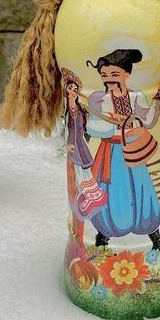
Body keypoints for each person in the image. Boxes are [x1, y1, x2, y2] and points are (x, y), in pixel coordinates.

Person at [86, 49, 160, 250]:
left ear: (127, 74)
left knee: (142, 188)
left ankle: (155, 238)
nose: (109, 79)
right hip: (111, 152)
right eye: (104, 75)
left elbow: (149, 121)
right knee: (110, 191)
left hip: (133, 151)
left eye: (114, 74)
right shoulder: (99, 99)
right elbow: (91, 126)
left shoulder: (136, 97)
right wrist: (109, 124)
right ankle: (101, 239)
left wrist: (159, 94)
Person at [62, 69, 107, 241]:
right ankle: (86, 198)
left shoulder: (79, 107)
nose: (72, 92)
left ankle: (91, 198)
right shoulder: (71, 106)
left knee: (85, 172)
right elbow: (70, 122)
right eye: (70, 88)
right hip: (75, 145)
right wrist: (68, 144)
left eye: (75, 89)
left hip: (80, 143)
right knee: (79, 174)